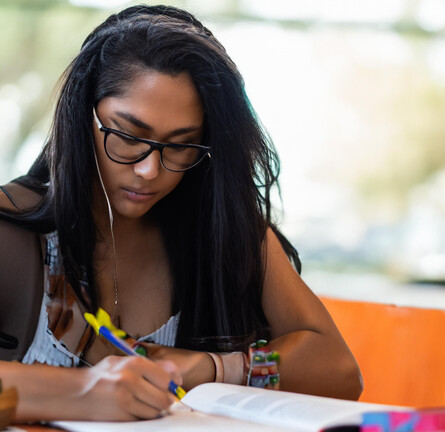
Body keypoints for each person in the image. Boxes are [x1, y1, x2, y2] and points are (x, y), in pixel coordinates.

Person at [0, 4, 362, 422]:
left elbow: (340, 370)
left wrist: (214, 368)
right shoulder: (12, 230)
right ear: (83, 117)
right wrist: (81, 393)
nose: (149, 170)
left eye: (180, 145)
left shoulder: (230, 233)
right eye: (128, 135)